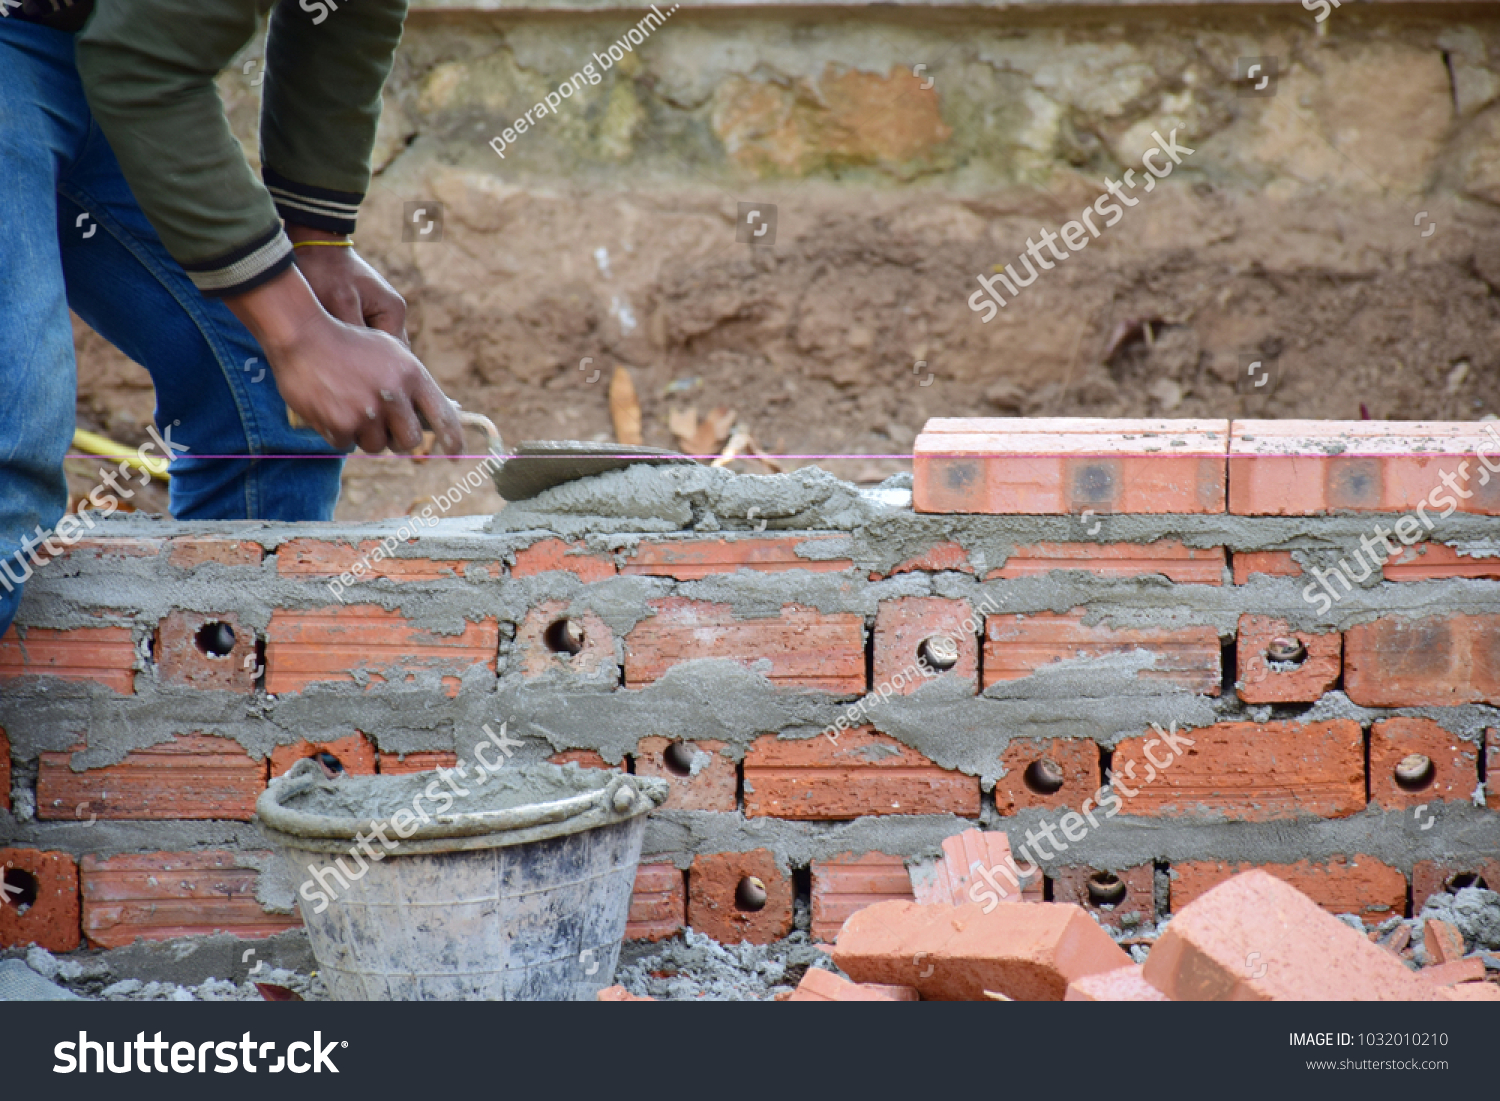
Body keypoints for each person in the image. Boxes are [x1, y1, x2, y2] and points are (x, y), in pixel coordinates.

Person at [0, 0, 463, 638]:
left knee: (267, 392)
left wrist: (317, 241)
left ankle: (227, 720)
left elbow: (343, 12)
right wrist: (298, 334)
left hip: (96, 43)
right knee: (10, 433)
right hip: (77, 55)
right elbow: (142, 65)